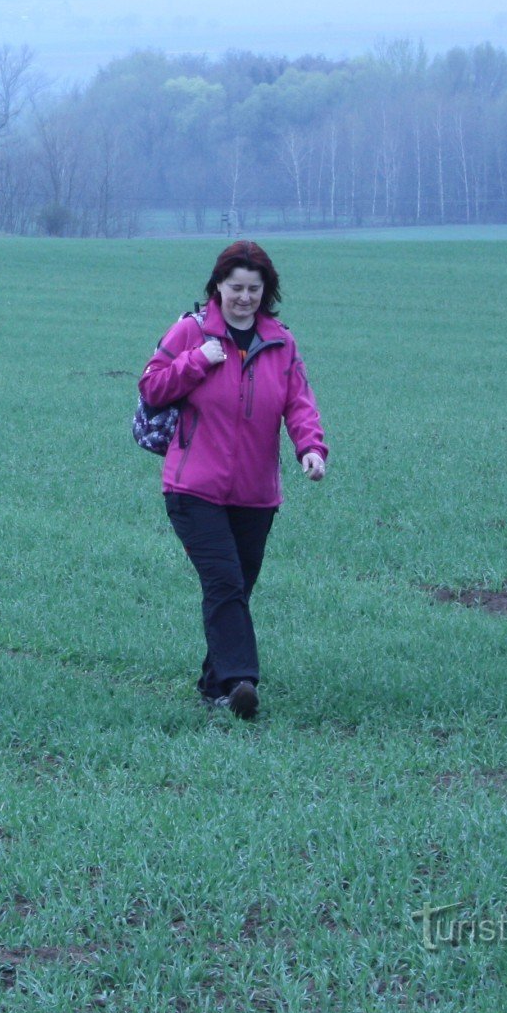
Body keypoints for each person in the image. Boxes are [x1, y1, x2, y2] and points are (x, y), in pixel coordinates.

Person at [138, 240, 328, 721]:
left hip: (256, 494)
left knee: (236, 588)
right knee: (224, 582)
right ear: (217, 287)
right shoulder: (191, 331)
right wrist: (198, 360)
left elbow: (298, 403)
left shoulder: (282, 342)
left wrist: (310, 448)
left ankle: (211, 684)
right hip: (191, 487)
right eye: (235, 287)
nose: (243, 297)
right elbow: (152, 386)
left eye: (253, 289)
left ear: (266, 292)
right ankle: (240, 682)